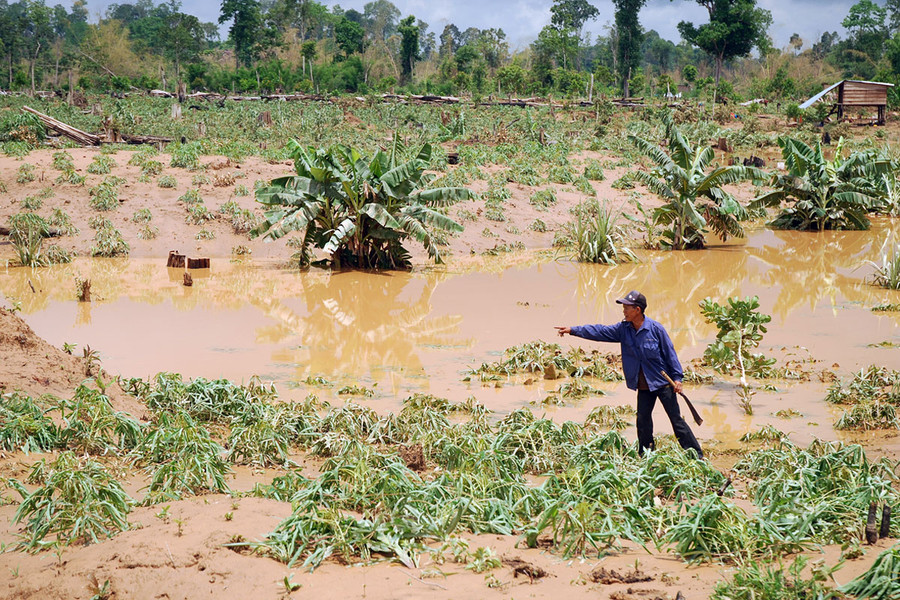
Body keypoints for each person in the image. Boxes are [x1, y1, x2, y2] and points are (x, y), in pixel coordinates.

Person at [555, 290, 703, 458]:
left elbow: (670, 354)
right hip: (644, 385)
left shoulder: (656, 329)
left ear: (637, 310)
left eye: (627, 308)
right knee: (643, 421)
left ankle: (696, 456)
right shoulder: (623, 329)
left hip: (663, 383)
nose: (624, 311)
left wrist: (677, 379)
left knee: (676, 421)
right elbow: (599, 331)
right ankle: (646, 455)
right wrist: (573, 330)